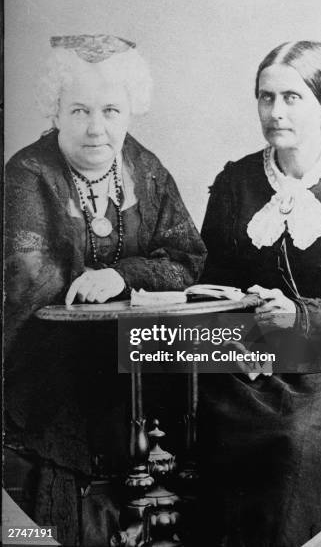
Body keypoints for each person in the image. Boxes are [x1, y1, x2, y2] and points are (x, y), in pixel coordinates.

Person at [4, 34, 206, 545]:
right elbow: (31, 281)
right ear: (55, 111)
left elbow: (187, 258)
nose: (97, 128)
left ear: (131, 112)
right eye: (79, 110)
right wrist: (89, 289)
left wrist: (121, 275)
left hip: (138, 360)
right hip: (50, 360)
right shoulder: (28, 174)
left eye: (112, 110)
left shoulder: (143, 166)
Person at [199, 41, 321, 547]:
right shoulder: (237, 182)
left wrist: (299, 319)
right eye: (265, 97)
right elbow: (211, 281)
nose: (275, 112)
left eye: (292, 97)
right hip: (247, 366)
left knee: (296, 441)